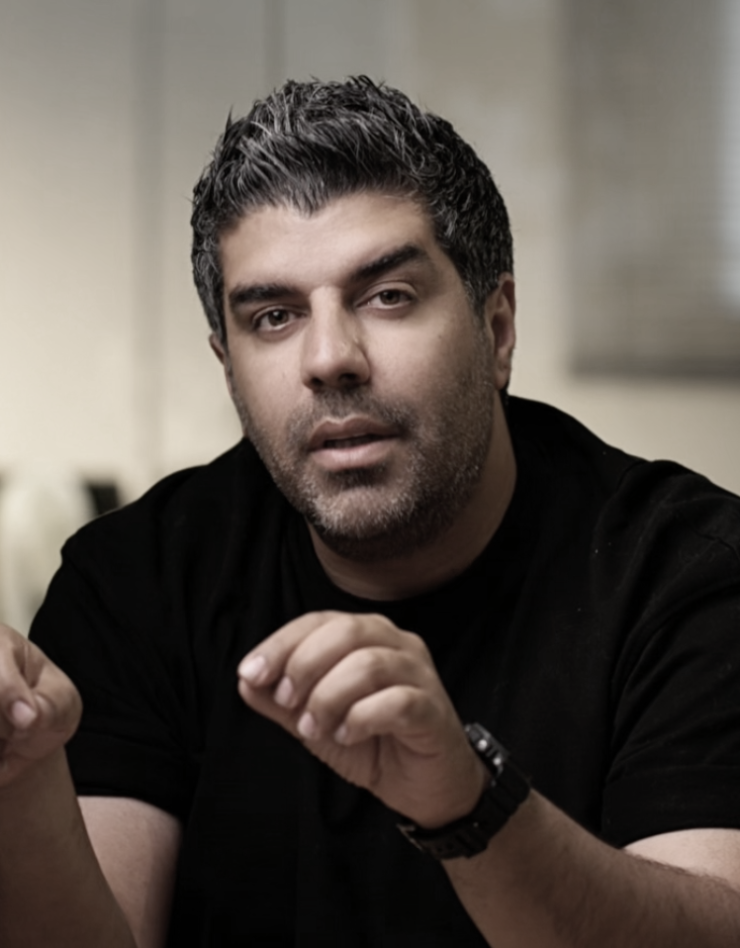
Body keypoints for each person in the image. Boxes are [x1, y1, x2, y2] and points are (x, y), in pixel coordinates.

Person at [1, 76, 740, 948]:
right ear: (227, 366)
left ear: (497, 328)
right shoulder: (135, 581)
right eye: (274, 316)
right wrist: (22, 777)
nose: (329, 358)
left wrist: (469, 802)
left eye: (388, 296)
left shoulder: (687, 570)